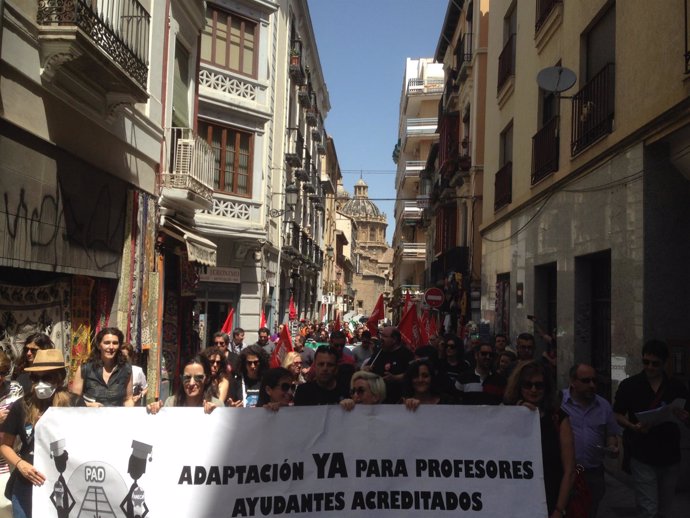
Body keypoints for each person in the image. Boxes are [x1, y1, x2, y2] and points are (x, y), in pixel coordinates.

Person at [0, 349, 83, 518]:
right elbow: (4, 445)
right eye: (35, 378)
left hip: (64, 482)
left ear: (60, 378)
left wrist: (151, 410)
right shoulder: (22, 405)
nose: (40, 383)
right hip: (26, 483)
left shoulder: (75, 403)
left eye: (47, 377)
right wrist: (20, 464)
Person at [613, 340, 690, 518]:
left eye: (655, 363)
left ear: (664, 363)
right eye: (646, 362)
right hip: (642, 454)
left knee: (664, 510)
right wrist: (632, 425)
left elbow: (687, 417)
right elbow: (617, 414)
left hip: (670, 456)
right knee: (648, 509)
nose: (650, 367)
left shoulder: (676, 387)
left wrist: (685, 418)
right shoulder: (630, 385)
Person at [504, 360, 575, 518]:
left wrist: (558, 510)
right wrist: (517, 412)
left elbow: (569, 470)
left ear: (547, 387)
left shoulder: (559, 419)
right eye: (527, 385)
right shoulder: (506, 413)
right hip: (513, 503)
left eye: (539, 385)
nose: (533, 390)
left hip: (549, 501)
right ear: (518, 386)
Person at [561, 363, 621, 518]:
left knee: (589, 511)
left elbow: (611, 433)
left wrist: (612, 446)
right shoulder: (559, 402)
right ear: (573, 382)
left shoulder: (603, 406)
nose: (592, 385)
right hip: (565, 472)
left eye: (594, 381)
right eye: (586, 381)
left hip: (592, 473)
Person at [71, 327, 134, 407]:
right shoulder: (85, 369)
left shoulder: (126, 369)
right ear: (99, 345)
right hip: (90, 417)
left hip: (116, 417)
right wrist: (88, 405)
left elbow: (128, 399)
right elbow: (74, 400)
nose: (111, 347)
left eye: (115, 343)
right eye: (107, 343)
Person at [147, 355, 220, 414]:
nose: (191, 383)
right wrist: (156, 411)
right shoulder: (171, 402)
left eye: (198, 377)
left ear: (207, 379)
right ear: (181, 378)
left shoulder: (216, 405)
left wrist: (216, 413)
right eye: (187, 377)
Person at [0, 352, 23, 518]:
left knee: (6, 509)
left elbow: (22, 417)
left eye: (2, 373)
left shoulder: (15, 389)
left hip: (8, 461)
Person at [366, 326, 415, 404]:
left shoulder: (406, 354)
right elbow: (368, 367)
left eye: (384, 336)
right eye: (381, 335)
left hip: (398, 401)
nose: (381, 338)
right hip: (378, 400)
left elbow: (413, 374)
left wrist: (395, 378)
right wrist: (366, 370)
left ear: (394, 339)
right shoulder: (379, 352)